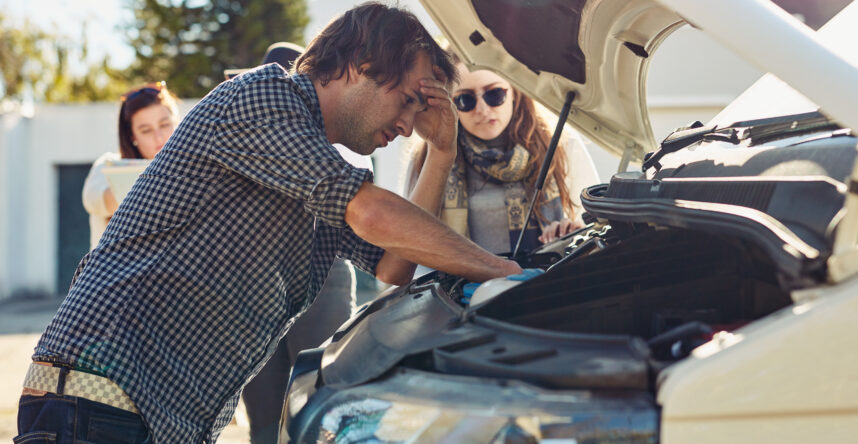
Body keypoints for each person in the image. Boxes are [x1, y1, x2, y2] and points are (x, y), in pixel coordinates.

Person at [16, 3, 521, 443]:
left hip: (153, 418)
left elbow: (394, 266)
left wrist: (442, 151)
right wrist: (504, 274)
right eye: (409, 98)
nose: (409, 122)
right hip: (96, 401)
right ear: (361, 64)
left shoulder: (318, 166)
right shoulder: (264, 97)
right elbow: (371, 211)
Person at [229, 41, 369, 444]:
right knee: (264, 419)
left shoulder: (344, 131)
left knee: (324, 407)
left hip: (322, 279)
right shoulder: (248, 131)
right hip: (255, 287)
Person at [405, 51, 599, 255]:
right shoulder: (430, 156)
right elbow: (412, 240)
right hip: (465, 286)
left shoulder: (562, 145)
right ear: (451, 103)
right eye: (465, 100)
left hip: (551, 281)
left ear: (514, 91)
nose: (482, 109)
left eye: (494, 94)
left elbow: (593, 227)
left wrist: (569, 234)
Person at [82, 82, 179, 248]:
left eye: (164, 125)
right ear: (132, 136)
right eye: (146, 130)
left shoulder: (195, 168)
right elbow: (93, 200)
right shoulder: (107, 165)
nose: (159, 137)